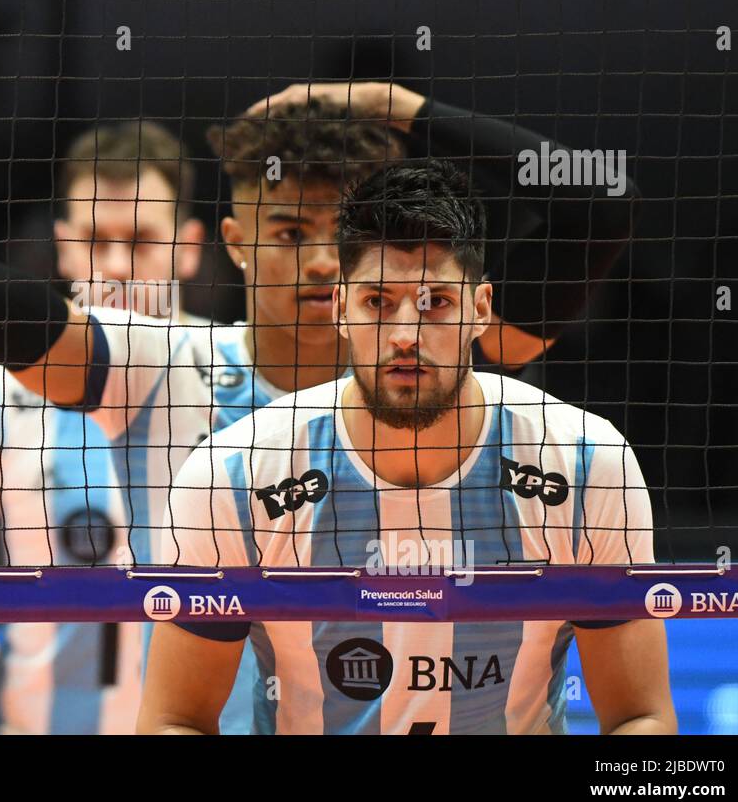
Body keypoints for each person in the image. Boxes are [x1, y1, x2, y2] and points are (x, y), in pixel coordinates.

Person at [0, 0, 638, 730]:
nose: (320, 261)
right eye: (288, 233)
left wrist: (403, 110)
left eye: (340, 230)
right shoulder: (156, 365)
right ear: (237, 243)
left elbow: (601, 209)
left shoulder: (439, 357)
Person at [139, 161, 675, 735]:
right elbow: (177, 719)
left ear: (480, 308)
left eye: (435, 301)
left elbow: (639, 716)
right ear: (342, 306)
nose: (405, 334)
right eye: (377, 300)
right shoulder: (234, 474)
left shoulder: (588, 463)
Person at [0, 121, 204, 734]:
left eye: (143, 240)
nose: (119, 266)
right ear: (65, 245)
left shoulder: (236, 377)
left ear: (190, 245)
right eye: (98, 240)